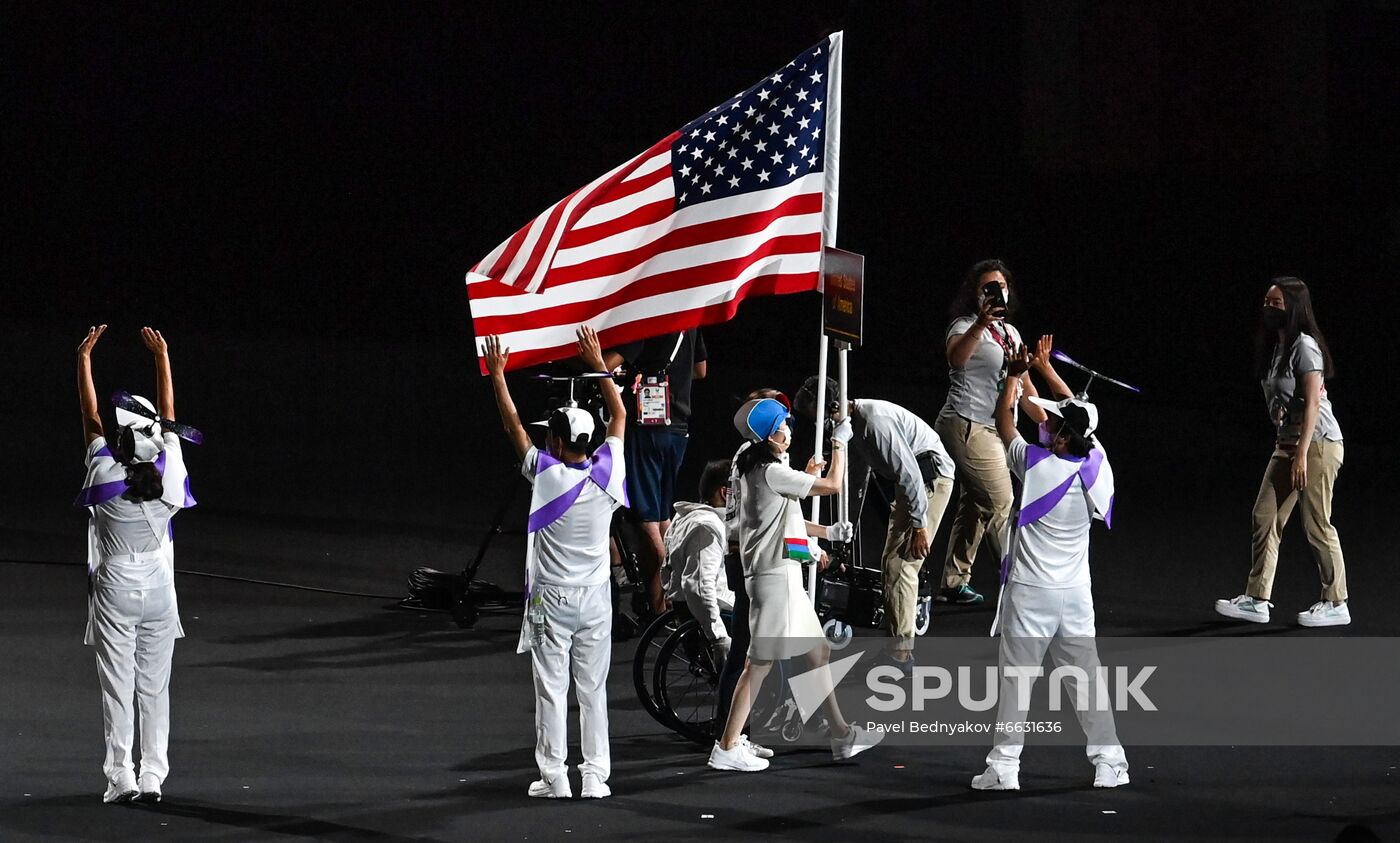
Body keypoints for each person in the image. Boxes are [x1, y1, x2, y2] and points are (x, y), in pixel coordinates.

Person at [971, 344, 1129, 791]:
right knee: (1086, 677)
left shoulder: (1036, 466)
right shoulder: (1099, 466)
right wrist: (1039, 370)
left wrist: (1012, 379)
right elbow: (1078, 419)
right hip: (1076, 592)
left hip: (1031, 593)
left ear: (1061, 439)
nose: (1048, 425)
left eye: (1054, 426)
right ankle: (1110, 761)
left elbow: (1006, 424)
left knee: (1016, 680)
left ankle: (1004, 767)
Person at [484, 326, 627, 799]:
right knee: (592, 690)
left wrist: (499, 376)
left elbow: (513, 429)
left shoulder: (547, 475)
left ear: (561, 445)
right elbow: (621, 414)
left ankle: (555, 778)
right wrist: (599, 365)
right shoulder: (608, 473)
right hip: (596, 600)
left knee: (551, 688)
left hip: (549, 598)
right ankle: (594, 777)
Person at [708, 398, 882, 772]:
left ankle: (841, 735)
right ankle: (726, 746)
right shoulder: (771, 471)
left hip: (781, 574)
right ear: (772, 432)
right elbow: (834, 485)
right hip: (775, 580)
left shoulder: (755, 467)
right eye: (785, 423)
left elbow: (784, 523)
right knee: (759, 664)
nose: (790, 427)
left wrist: (826, 532)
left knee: (817, 653)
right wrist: (840, 443)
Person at [75, 325, 197, 805]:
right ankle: (153, 778)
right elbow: (169, 419)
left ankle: (120, 776)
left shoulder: (104, 471)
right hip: (159, 592)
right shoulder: (170, 475)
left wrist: (83, 360)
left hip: (115, 592)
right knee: (154, 690)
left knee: (117, 688)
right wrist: (163, 357)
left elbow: (90, 419)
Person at [793, 377, 955, 674]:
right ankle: (896, 648)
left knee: (903, 567)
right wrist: (847, 524)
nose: (818, 427)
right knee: (890, 564)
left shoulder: (875, 423)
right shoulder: (851, 429)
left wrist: (920, 526)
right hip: (911, 484)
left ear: (831, 408)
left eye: (816, 419)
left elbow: (911, 475)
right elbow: (855, 477)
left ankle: (902, 656)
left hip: (930, 479)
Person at [1215, 278, 1349, 627]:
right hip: (1287, 443)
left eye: (1277, 304)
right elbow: (1286, 398)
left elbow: (1314, 403)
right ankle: (1257, 599)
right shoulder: (1278, 346)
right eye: (1266, 302)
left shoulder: (1304, 345)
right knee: (1265, 517)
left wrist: (1302, 453)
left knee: (1316, 524)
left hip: (1317, 444)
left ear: (1293, 308)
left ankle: (1336, 602)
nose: (1269, 309)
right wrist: (1278, 413)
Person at [936, 259, 1048, 605]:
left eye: (1001, 286)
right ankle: (1021, 582)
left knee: (976, 505)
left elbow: (1025, 387)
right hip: (966, 424)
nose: (997, 293)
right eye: (989, 287)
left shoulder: (1011, 333)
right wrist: (982, 322)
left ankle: (954, 582)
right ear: (976, 294)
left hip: (998, 427)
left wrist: (1047, 422)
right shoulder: (965, 326)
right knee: (1002, 502)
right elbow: (956, 360)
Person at [613, 329, 709, 615]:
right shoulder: (690, 322)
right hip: (678, 429)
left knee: (647, 520)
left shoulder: (650, 316)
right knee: (664, 516)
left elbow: (606, 364)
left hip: (647, 429)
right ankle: (679, 598)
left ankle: (658, 607)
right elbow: (701, 370)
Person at [663, 460, 737, 667]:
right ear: (725, 493)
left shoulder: (684, 518)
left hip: (687, 608)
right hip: (715, 613)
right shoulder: (707, 527)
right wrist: (719, 638)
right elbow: (698, 587)